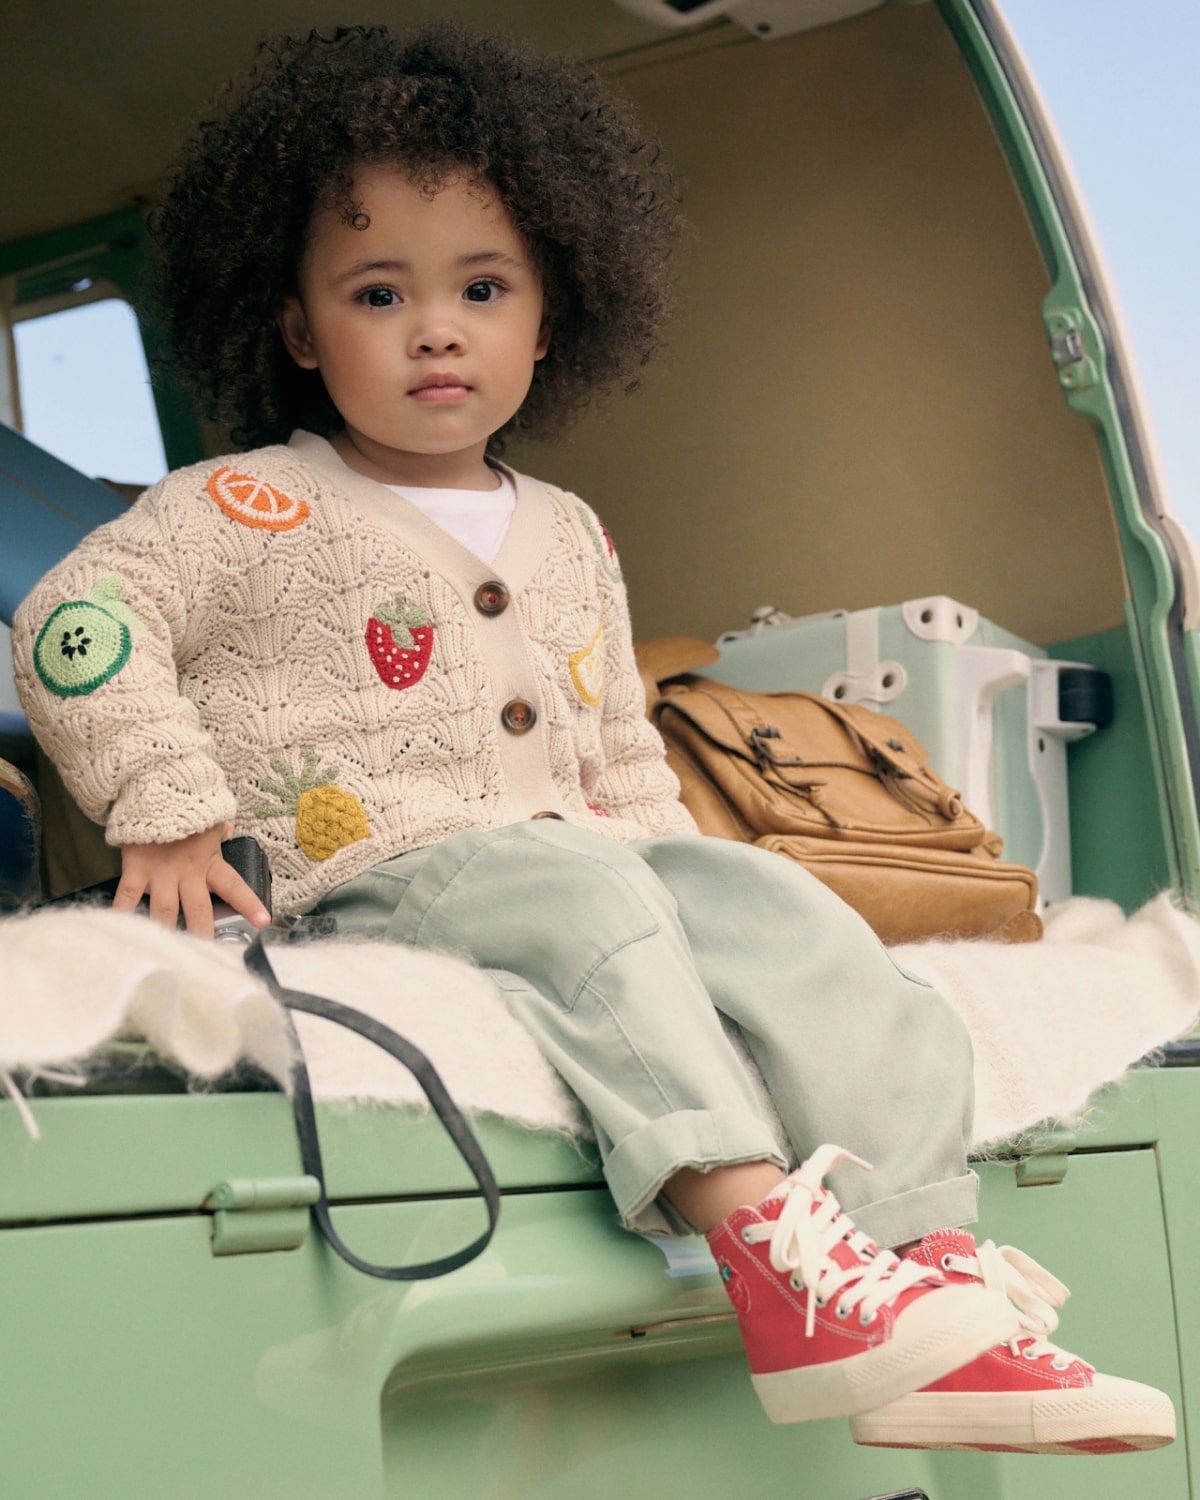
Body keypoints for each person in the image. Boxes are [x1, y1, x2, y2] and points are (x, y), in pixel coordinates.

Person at [12, 22, 1173, 1453]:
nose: (437, 328)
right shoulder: (240, 505)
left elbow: (620, 751)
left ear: (550, 317)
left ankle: (927, 1281)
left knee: (787, 915)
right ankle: (773, 1259)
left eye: (481, 287)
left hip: (570, 858)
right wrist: (169, 806)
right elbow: (77, 622)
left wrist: (699, 892)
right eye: (378, 294)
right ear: (302, 332)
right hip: (369, 873)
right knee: (580, 895)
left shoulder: (570, 532)